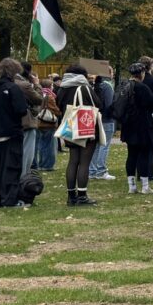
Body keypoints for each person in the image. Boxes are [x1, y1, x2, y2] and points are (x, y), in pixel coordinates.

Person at [0, 58, 29, 208]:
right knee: (11, 167)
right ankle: (9, 199)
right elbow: (21, 110)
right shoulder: (12, 88)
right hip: (11, 132)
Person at [54, 64, 101, 206]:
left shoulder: (62, 88)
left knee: (73, 160)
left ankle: (71, 196)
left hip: (69, 127)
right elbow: (98, 104)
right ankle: (82, 196)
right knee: (84, 162)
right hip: (85, 127)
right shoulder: (83, 87)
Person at [117, 62, 153, 194]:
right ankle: (145, 186)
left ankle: (131, 186)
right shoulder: (143, 87)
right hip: (142, 124)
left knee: (131, 155)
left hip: (128, 125)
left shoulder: (124, 86)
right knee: (144, 155)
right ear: (141, 73)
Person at [15, 63, 44, 182]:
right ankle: (24, 175)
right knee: (27, 152)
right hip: (26, 121)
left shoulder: (9, 82)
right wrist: (37, 85)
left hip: (13, 121)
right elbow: (38, 98)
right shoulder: (24, 85)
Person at [89, 69, 116, 180]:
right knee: (104, 146)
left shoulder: (94, 85)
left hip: (95, 118)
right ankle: (101, 171)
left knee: (95, 146)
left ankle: (92, 171)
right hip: (106, 119)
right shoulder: (107, 86)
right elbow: (109, 104)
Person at [34, 77, 59, 171]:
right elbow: (55, 109)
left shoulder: (39, 94)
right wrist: (59, 112)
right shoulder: (50, 96)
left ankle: (40, 163)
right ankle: (47, 165)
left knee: (41, 144)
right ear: (50, 86)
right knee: (49, 145)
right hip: (49, 123)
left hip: (40, 122)